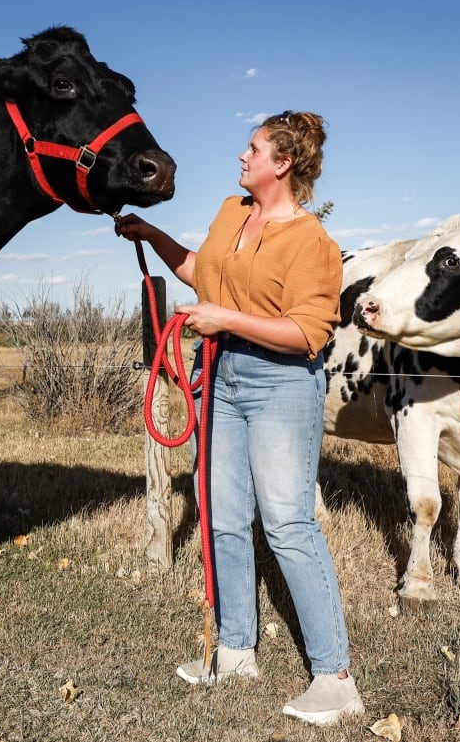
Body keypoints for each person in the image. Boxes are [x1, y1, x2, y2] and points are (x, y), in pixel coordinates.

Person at [115, 111, 363, 727]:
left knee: (287, 524)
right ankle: (234, 650)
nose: (241, 158)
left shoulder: (313, 243)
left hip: (280, 384)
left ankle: (334, 679)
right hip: (218, 377)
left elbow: (307, 333)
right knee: (224, 518)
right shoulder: (233, 212)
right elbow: (203, 273)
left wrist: (226, 321)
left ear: (282, 163)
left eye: (252, 149)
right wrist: (151, 235)